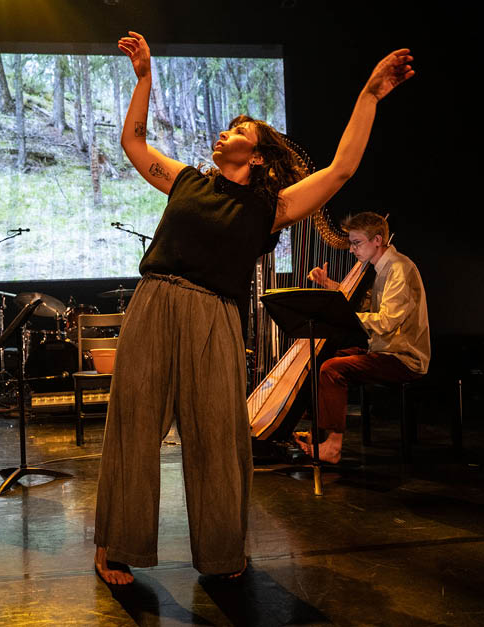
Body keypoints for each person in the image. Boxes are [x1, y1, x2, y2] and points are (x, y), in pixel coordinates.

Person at [94, 31, 415, 585]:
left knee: (218, 434)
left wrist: (368, 95)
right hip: (156, 301)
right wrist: (144, 78)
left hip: (215, 315)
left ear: (258, 154)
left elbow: (339, 170)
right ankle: (115, 547)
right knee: (134, 424)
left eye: (238, 130)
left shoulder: (272, 207)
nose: (224, 132)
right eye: (226, 128)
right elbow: (134, 142)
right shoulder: (187, 181)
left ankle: (220, 552)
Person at [296, 211, 430, 463]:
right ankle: (318, 432)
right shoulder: (380, 268)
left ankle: (333, 447)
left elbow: (388, 321)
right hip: (383, 350)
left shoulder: (399, 268)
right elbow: (366, 302)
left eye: (356, 243)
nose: (351, 250)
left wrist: (341, 319)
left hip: (403, 357)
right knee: (322, 358)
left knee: (332, 369)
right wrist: (330, 285)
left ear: (377, 240)